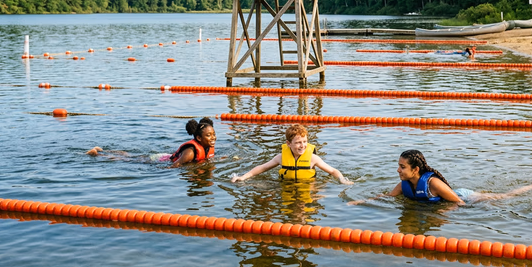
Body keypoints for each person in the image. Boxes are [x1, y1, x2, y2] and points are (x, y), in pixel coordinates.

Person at [351, 149, 532, 205]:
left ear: (416, 169)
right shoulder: (403, 185)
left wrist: (439, 215)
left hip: (464, 196)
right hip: (449, 199)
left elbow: (458, 203)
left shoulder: (433, 183)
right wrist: (362, 201)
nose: (398, 170)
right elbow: (388, 197)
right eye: (398, 166)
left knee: (503, 197)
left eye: (402, 167)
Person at [231, 124, 353, 184]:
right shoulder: (281, 158)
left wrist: (342, 179)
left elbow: (332, 171)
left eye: (305, 142)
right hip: (286, 185)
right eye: (298, 143)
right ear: (288, 143)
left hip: (308, 185)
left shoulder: (312, 158)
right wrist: (243, 177)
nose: (303, 145)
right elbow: (261, 168)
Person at [86, 117, 217, 167]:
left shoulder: (206, 147)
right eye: (209, 135)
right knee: (129, 159)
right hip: (160, 160)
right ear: (199, 138)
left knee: (131, 156)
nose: (213, 138)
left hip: (165, 156)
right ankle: (98, 155)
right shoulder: (190, 152)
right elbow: (174, 166)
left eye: (214, 134)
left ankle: (102, 150)